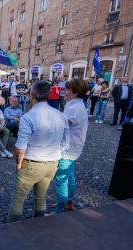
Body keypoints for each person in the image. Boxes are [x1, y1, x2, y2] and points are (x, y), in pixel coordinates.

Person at [8, 81, 68, 222]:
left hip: (32, 162)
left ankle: (12, 230)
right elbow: (66, 143)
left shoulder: (28, 117)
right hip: (52, 163)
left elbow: (21, 147)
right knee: (41, 198)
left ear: (31, 95)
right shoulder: (60, 115)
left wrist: (19, 164)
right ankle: (40, 226)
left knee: (18, 199)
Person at [53, 79, 88, 213]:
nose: (64, 91)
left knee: (61, 180)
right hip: (73, 147)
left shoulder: (75, 107)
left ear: (76, 92)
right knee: (70, 176)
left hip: (67, 148)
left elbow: (63, 124)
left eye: (67, 89)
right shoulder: (74, 104)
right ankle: (68, 203)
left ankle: (59, 211)